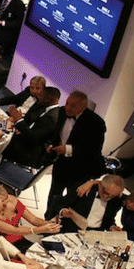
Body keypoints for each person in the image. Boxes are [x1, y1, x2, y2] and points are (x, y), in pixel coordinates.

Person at [43, 90, 107, 218]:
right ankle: (48, 220)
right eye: (67, 103)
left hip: (81, 168)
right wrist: (49, 145)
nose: (67, 107)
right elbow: (52, 133)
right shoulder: (61, 112)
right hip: (61, 164)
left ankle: (65, 224)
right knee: (54, 194)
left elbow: (93, 150)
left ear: (83, 107)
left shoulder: (96, 123)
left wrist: (68, 149)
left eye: (72, 105)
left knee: (72, 199)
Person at [59, 173, 127, 232]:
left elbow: (109, 220)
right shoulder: (84, 189)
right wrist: (63, 211)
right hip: (72, 229)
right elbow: (60, 203)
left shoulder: (117, 199)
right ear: (100, 185)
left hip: (96, 233)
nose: (108, 197)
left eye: (112, 196)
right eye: (106, 193)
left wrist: (112, 227)